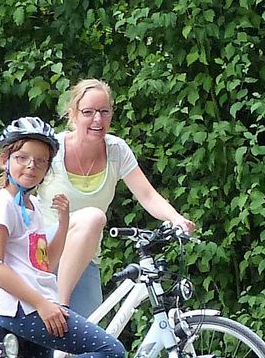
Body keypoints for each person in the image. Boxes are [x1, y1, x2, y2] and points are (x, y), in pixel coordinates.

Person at [0, 118, 128, 358]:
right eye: (22, 158)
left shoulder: (33, 205)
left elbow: (45, 263)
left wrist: (63, 222)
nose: (31, 166)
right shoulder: (2, 205)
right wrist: (42, 304)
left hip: (39, 304)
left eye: (41, 161)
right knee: (111, 352)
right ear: (5, 160)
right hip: (25, 310)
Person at [44, 79, 202, 318]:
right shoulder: (52, 149)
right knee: (93, 218)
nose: (97, 120)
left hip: (83, 260)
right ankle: (62, 305)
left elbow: (147, 195)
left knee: (90, 336)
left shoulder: (116, 150)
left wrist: (176, 219)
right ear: (73, 114)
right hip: (43, 253)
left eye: (104, 111)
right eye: (88, 112)